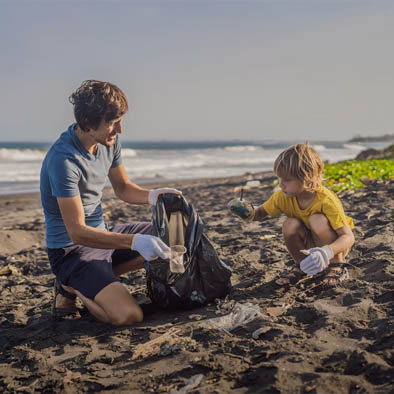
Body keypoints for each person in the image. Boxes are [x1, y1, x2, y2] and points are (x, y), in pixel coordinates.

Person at [40, 80, 181, 326]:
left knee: (175, 229)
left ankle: (104, 280)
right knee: (129, 316)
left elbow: (123, 189)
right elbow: (78, 232)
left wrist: (154, 195)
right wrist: (134, 241)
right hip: (71, 251)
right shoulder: (63, 161)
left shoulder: (109, 142)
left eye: (121, 120)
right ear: (87, 123)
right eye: (113, 122)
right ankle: (70, 287)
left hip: (103, 237)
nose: (120, 130)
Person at [230, 144, 355, 286]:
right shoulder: (282, 197)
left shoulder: (326, 199)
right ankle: (302, 265)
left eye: (287, 180)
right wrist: (245, 211)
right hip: (309, 245)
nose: (281, 185)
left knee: (317, 219)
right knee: (290, 223)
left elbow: (348, 237)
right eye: (279, 179)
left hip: (333, 247)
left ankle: (336, 267)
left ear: (308, 178)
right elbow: (259, 213)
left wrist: (327, 252)